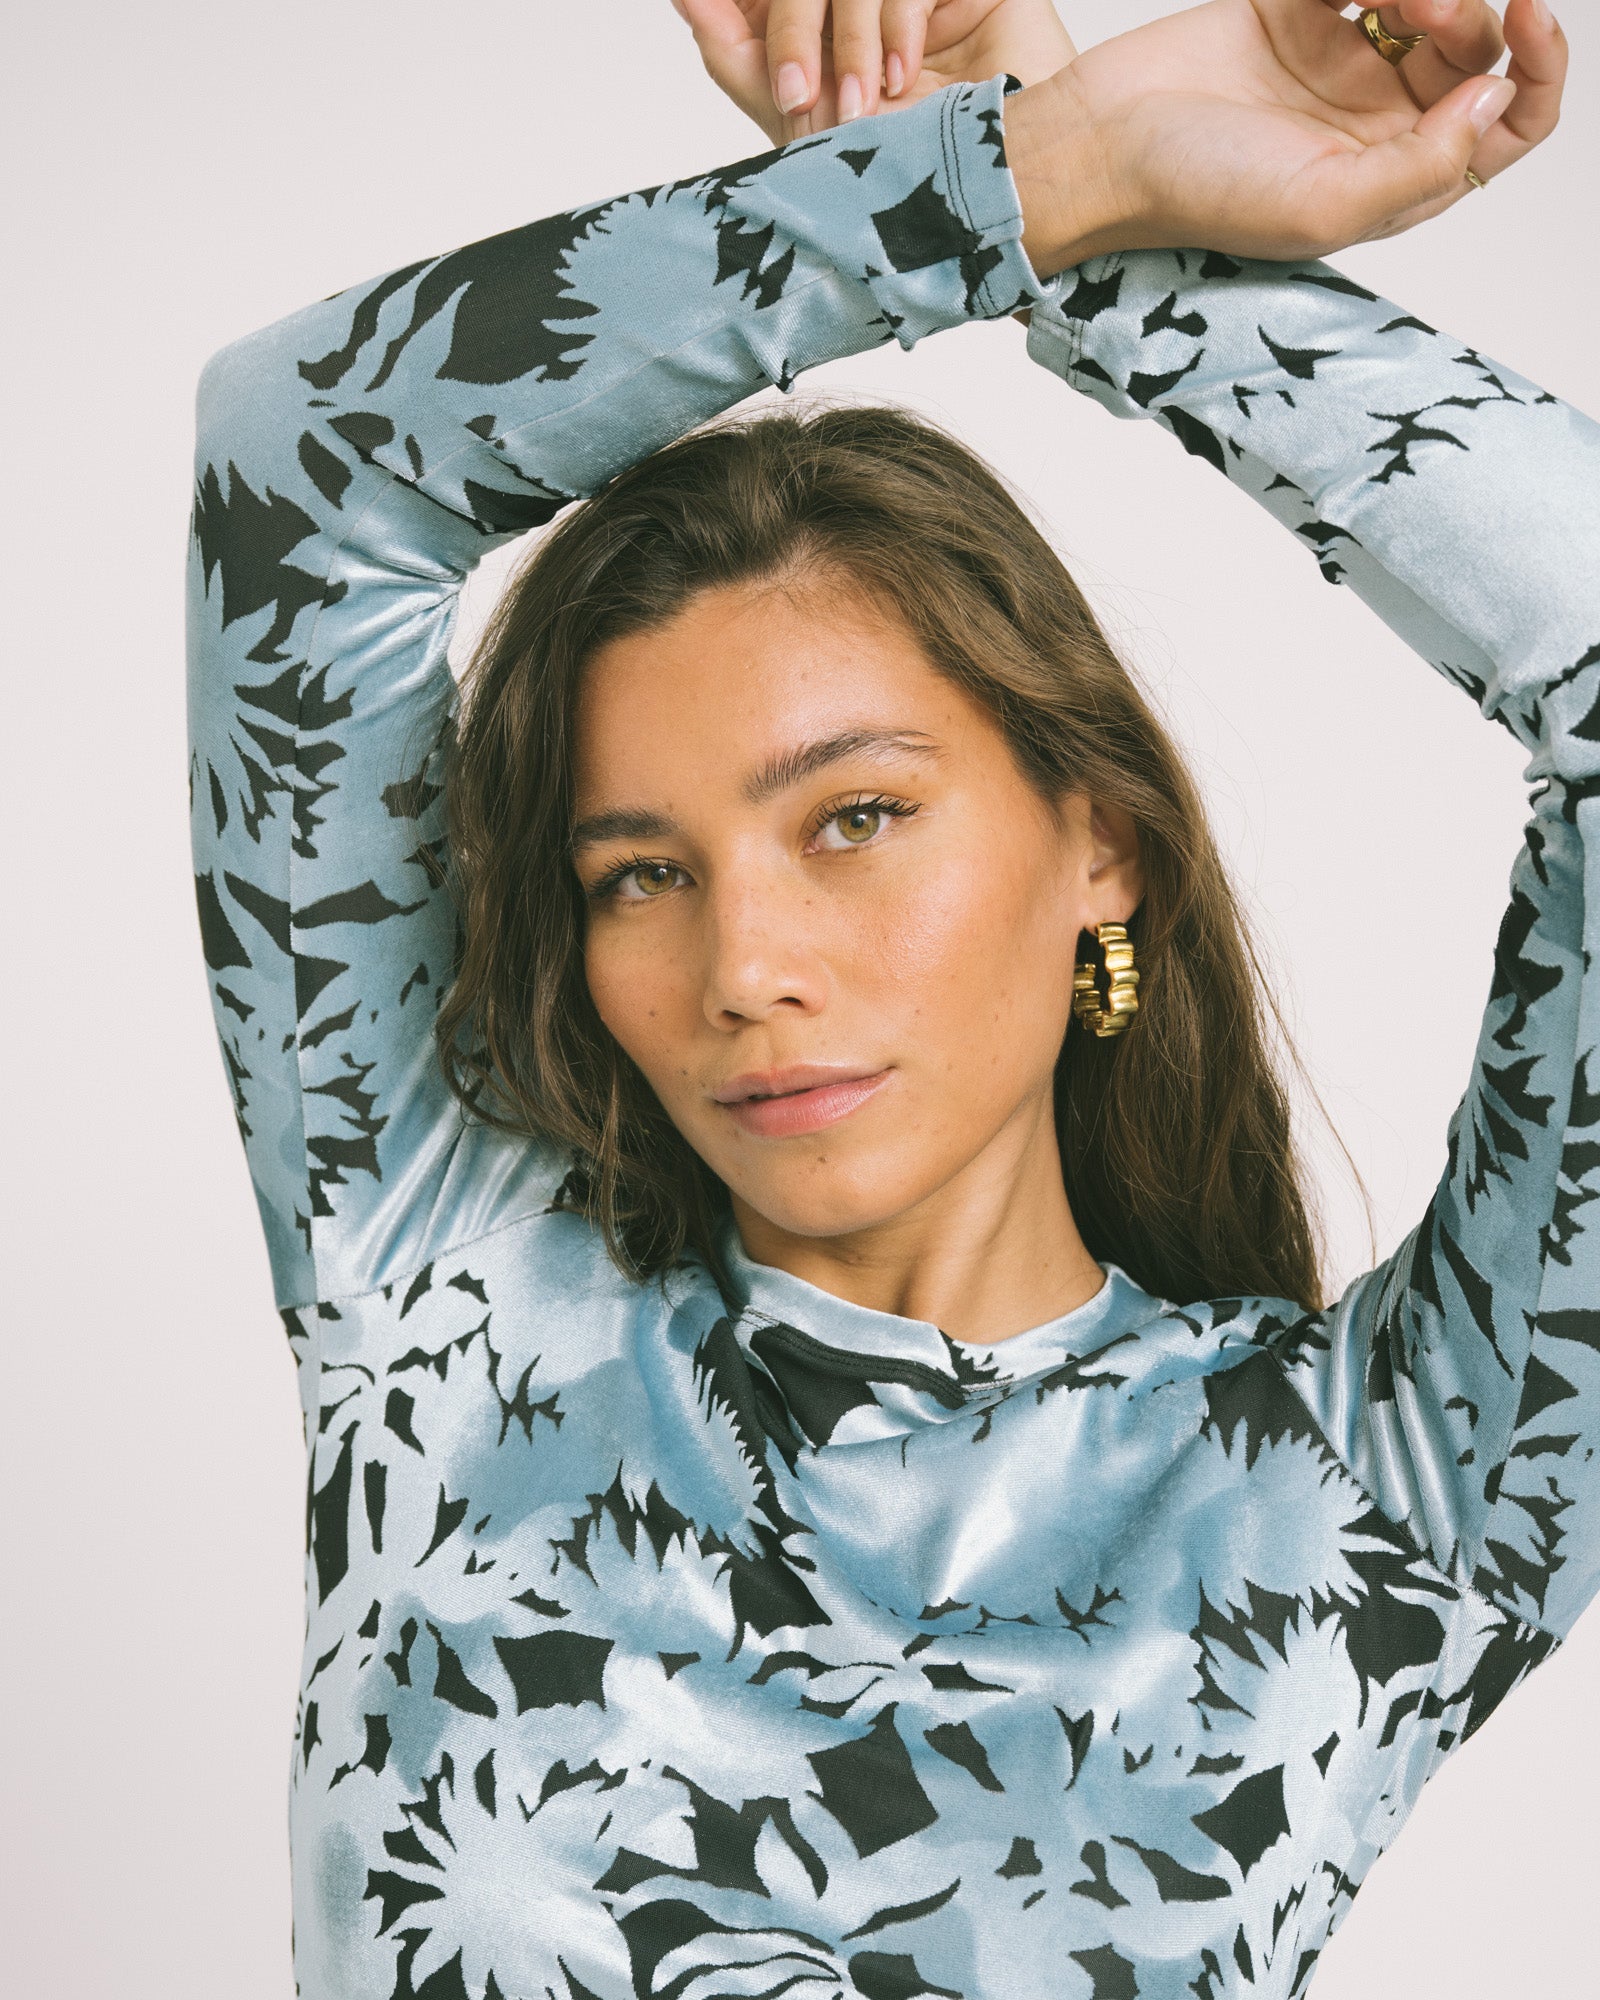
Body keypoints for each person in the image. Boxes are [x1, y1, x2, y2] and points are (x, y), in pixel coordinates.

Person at [186, 0, 1585, 1992]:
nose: (743, 969)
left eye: (852, 817)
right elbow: (299, 461)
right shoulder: (451, 1300)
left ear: (1102, 844)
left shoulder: (1382, 1497)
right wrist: (1015, 178)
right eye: (638, 873)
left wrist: (1101, 245)